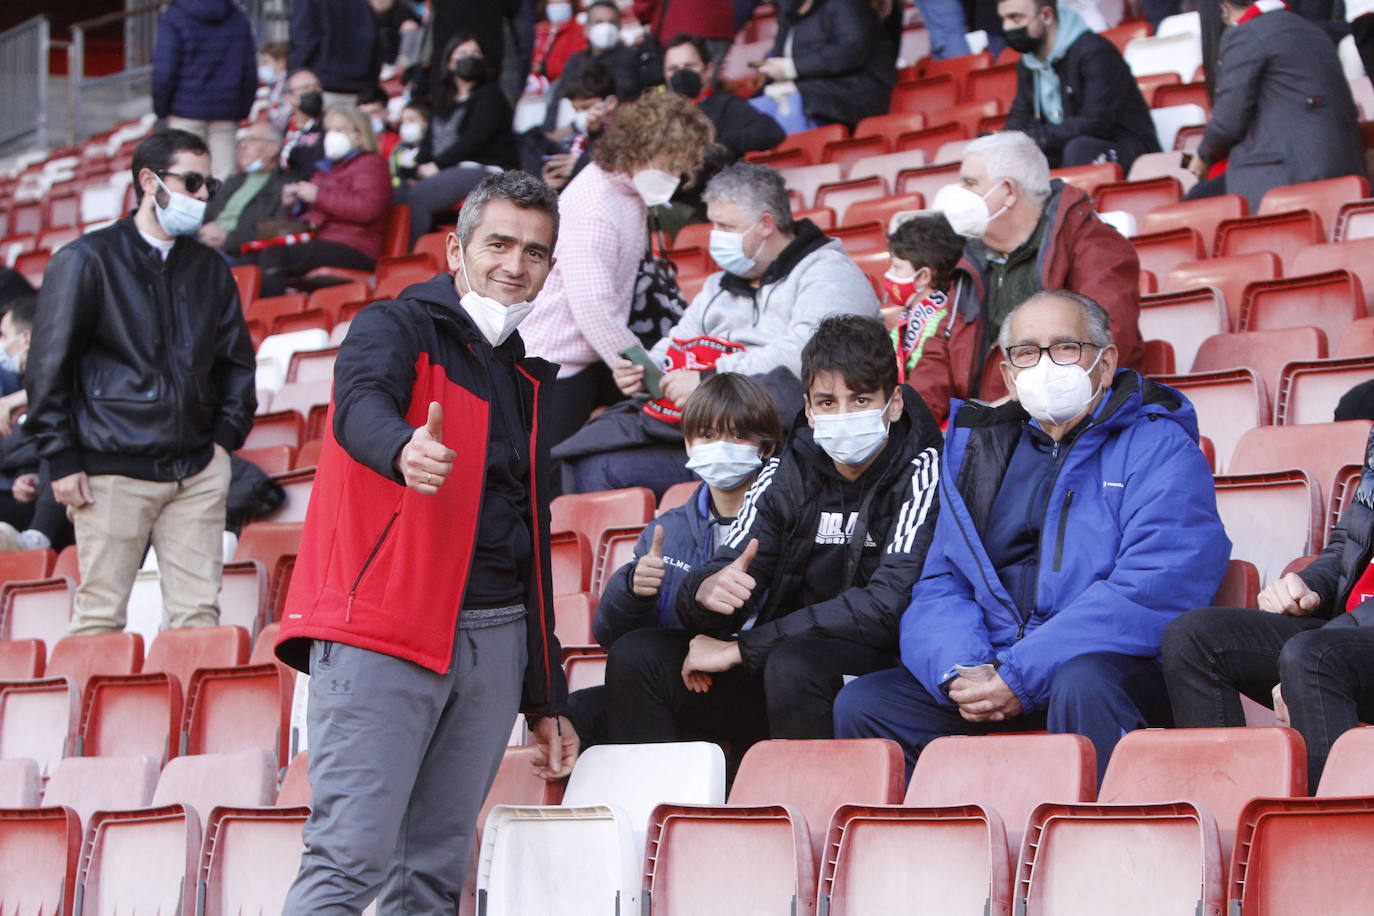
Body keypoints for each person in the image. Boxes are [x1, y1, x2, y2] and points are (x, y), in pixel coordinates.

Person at [276, 170, 577, 913]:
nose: (515, 265)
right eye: (499, 244)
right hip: (386, 630)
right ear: (455, 251)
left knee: (434, 876)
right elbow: (359, 406)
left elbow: (529, 541)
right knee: (348, 864)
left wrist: (545, 695)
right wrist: (402, 449)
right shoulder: (395, 325)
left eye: (535, 253)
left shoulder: (526, 377)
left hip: (494, 639)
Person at [833, 291, 1228, 780]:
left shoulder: (1160, 447)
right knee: (865, 704)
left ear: (1104, 364)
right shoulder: (979, 453)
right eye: (1026, 352)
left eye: (1065, 347)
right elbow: (940, 581)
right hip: (992, 664)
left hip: (1104, 665)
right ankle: (962, 840)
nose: (1044, 365)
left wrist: (1022, 673)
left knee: (1083, 684)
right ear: (1008, 375)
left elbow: (1156, 585)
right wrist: (962, 671)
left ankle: (1093, 845)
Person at [607, 315, 942, 759]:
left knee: (794, 664)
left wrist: (745, 648)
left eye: (860, 399)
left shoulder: (923, 469)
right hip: (776, 658)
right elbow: (730, 564)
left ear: (893, 402)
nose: (842, 415)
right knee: (639, 656)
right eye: (827, 402)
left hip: (874, 666)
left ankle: (803, 818)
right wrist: (707, 593)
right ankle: (659, 818)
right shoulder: (789, 469)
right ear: (807, 406)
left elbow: (886, 606)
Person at [25, 129, 257, 636]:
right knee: (99, 619)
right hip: (110, 474)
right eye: (192, 182)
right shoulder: (85, 260)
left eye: (208, 186)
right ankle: (89, 718)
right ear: (149, 181)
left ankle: (187, 720)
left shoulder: (209, 269)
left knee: (199, 620)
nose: (201, 197)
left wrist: (223, 443)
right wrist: (61, 458)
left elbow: (237, 363)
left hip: (196, 470)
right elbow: (48, 367)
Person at [557, 161, 880, 497]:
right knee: (584, 455)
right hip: (713, 429)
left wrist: (711, 379)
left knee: (600, 468)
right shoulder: (718, 286)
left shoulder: (830, 273)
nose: (715, 237)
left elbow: (806, 356)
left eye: (726, 226)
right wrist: (648, 370)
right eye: (713, 225)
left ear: (766, 224)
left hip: (780, 436)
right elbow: (679, 340)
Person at [568, 371, 784, 746]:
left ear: (765, 447)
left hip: (754, 677)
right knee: (577, 711)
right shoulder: (668, 529)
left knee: (640, 658)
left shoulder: (788, 517)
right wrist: (633, 590)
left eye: (737, 435)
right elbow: (611, 637)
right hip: (683, 676)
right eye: (707, 435)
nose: (721, 446)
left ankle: (656, 796)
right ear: (688, 445)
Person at [1163, 428, 1374, 794]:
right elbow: (1349, 545)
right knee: (1193, 637)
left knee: (1312, 656)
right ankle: (1229, 813)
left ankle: (1331, 835)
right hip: (1351, 633)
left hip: (1350, 641)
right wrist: (1307, 585)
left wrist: (1317, 646)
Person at [520, 91, 714, 454]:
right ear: (643, 147)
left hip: (586, 354)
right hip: (558, 360)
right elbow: (592, 303)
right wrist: (640, 371)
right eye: (671, 164)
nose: (675, 176)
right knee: (553, 470)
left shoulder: (622, 189)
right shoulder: (598, 204)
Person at [921, 131, 1143, 419]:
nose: (957, 194)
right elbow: (940, 354)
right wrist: (909, 419)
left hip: (1073, 424)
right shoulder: (970, 260)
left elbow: (1102, 347)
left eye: (970, 183)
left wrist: (1008, 414)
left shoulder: (1092, 244)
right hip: (989, 430)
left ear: (1010, 191)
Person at [1185, 0, 1363, 210]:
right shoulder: (1310, 29)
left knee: (1187, 211)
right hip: (1341, 167)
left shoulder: (1246, 34)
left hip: (1287, 175)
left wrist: (1204, 155)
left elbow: (1227, 123)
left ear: (1223, 7)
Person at [239, 105, 392, 296]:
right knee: (249, 259)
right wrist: (294, 205)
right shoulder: (324, 169)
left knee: (275, 255)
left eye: (340, 129)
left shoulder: (371, 163)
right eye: (330, 130)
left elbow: (367, 208)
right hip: (321, 240)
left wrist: (318, 195)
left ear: (359, 135)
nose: (331, 136)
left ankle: (270, 318)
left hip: (355, 246)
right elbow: (314, 213)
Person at [1000, 0, 1159, 172]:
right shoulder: (1028, 64)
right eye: (1003, 19)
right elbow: (1020, 115)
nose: (1007, 27)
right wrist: (1005, 138)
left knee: (1079, 149)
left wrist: (1033, 137)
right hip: (1066, 146)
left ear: (1046, 15)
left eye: (1015, 18)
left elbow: (1097, 123)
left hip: (1127, 147)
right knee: (1011, 156)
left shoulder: (1095, 52)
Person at [398, 34, 520, 246]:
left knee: (418, 198)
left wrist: (436, 165)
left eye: (475, 53)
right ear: (450, 63)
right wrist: (418, 168)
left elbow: (474, 140)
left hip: (485, 169)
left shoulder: (491, 95)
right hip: (448, 169)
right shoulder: (441, 100)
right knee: (399, 193)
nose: (469, 58)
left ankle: (411, 260)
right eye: (463, 53)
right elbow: (429, 141)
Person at [151, 0, 258, 182]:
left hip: (185, 111)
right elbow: (249, 71)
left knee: (184, 177)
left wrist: (161, 109)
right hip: (226, 110)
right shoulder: (238, 17)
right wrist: (241, 109)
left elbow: (165, 70)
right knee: (224, 180)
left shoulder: (174, 16)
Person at [751, 0, 894, 132]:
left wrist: (792, 68)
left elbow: (851, 50)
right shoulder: (788, 14)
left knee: (790, 101)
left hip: (855, 94)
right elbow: (780, 60)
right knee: (745, 112)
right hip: (807, 92)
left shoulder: (845, 4)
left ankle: (790, 156)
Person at [883, 211, 967, 422]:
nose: (889, 274)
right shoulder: (908, 316)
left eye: (897, 267)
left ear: (923, 277)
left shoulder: (942, 319)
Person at [662, 34, 785, 164]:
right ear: (664, 74)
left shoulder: (728, 106)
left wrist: (719, 144)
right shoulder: (660, 115)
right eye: (673, 69)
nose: (681, 74)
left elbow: (771, 132)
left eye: (689, 66)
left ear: (708, 69)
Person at [548, 0, 661, 112]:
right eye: (599, 22)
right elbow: (559, 101)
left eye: (611, 22)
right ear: (586, 27)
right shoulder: (575, 61)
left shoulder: (631, 58)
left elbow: (626, 94)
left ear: (619, 26)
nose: (605, 27)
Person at [199, 121, 287, 259]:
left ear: (272, 149)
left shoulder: (282, 185)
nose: (243, 145)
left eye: (252, 139)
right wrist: (204, 232)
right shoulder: (235, 180)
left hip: (238, 253)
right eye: (242, 140)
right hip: (206, 242)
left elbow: (268, 231)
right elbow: (208, 214)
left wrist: (228, 240)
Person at [288, 0, 380, 108]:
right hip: (360, 85)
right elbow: (374, 38)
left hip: (324, 84)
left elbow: (304, 40)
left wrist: (293, 73)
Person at [635, 0, 737, 65]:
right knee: (710, 84)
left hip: (681, 29)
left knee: (682, 87)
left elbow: (643, 8)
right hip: (721, 27)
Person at [281, 69, 327, 181]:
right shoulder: (280, 126)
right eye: (305, 88)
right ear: (289, 97)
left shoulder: (329, 125)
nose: (313, 91)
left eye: (316, 87)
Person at [389, 100, 429, 187]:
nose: (406, 125)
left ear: (427, 122)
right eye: (403, 121)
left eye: (411, 120)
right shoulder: (399, 148)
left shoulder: (433, 150)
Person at [356, 83, 400, 160]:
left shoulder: (397, 144)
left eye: (373, 112)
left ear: (386, 113)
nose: (368, 118)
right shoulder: (353, 144)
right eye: (363, 114)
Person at [258, 40, 293, 131]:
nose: (261, 66)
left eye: (265, 62)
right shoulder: (271, 86)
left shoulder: (289, 85)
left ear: (281, 61)